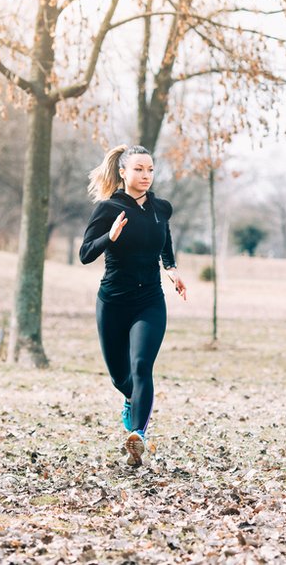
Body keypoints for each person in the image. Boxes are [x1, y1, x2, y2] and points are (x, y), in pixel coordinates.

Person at [79, 144, 187, 467]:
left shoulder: (160, 209)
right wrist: (109, 237)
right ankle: (130, 400)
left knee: (141, 366)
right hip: (113, 301)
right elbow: (85, 254)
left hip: (150, 301)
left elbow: (163, 238)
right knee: (120, 377)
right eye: (138, 169)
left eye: (150, 170)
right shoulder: (108, 209)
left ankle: (137, 437)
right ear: (123, 172)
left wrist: (171, 268)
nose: (145, 176)